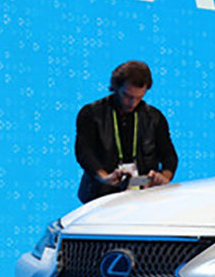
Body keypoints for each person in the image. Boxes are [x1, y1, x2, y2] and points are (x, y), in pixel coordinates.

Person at [75, 60, 179, 204]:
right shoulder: (92, 114)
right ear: (116, 87)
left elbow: (169, 154)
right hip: (101, 195)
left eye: (139, 97)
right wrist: (104, 177)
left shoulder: (155, 117)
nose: (132, 103)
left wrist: (164, 176)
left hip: (144, 195)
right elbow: (84, 153)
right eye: (127, 96)